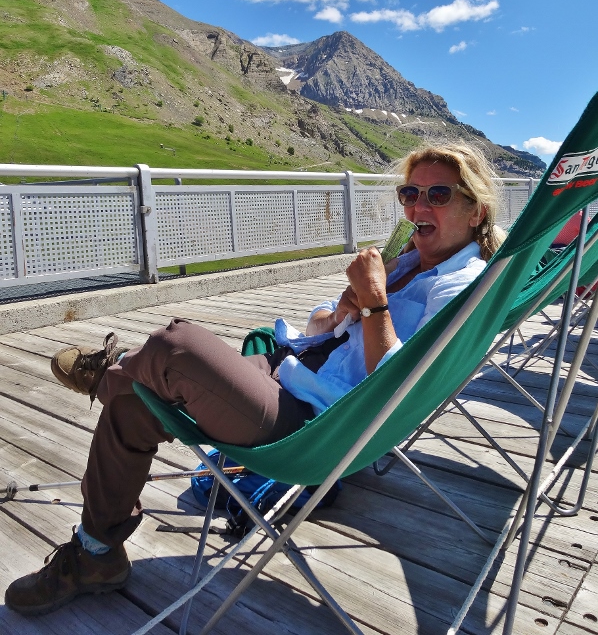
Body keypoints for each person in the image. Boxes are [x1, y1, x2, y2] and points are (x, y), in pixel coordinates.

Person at [5, 142, 504, 617]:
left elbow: (398, 387)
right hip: (290, 372)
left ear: (476, 211)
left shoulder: (463, 289)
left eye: (437, 195)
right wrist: (342, 313)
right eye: (410, 193)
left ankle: (105, 376)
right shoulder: (411, 263)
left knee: (176, 346)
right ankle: (95, 553)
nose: (419, 205)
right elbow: (323, 332)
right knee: (131, 406)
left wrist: (374, 300)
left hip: (319, 423)